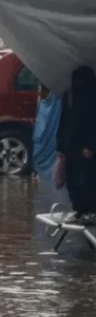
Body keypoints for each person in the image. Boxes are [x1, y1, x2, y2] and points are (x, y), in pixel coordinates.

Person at [57, 65, 96, 224]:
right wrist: (60, 145)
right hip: (70, 146)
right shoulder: (69, 95)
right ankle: (78, 210)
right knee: (72, 180)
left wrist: (91, 146)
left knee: (88, 181)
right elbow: (64, 120)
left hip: (86, 147)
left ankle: (91, 211)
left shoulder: (92, 96)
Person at [32, 84, 62, 182]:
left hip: (44, 137)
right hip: (41, 137)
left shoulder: (55, 102)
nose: (39, 93)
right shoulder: (47, 103)